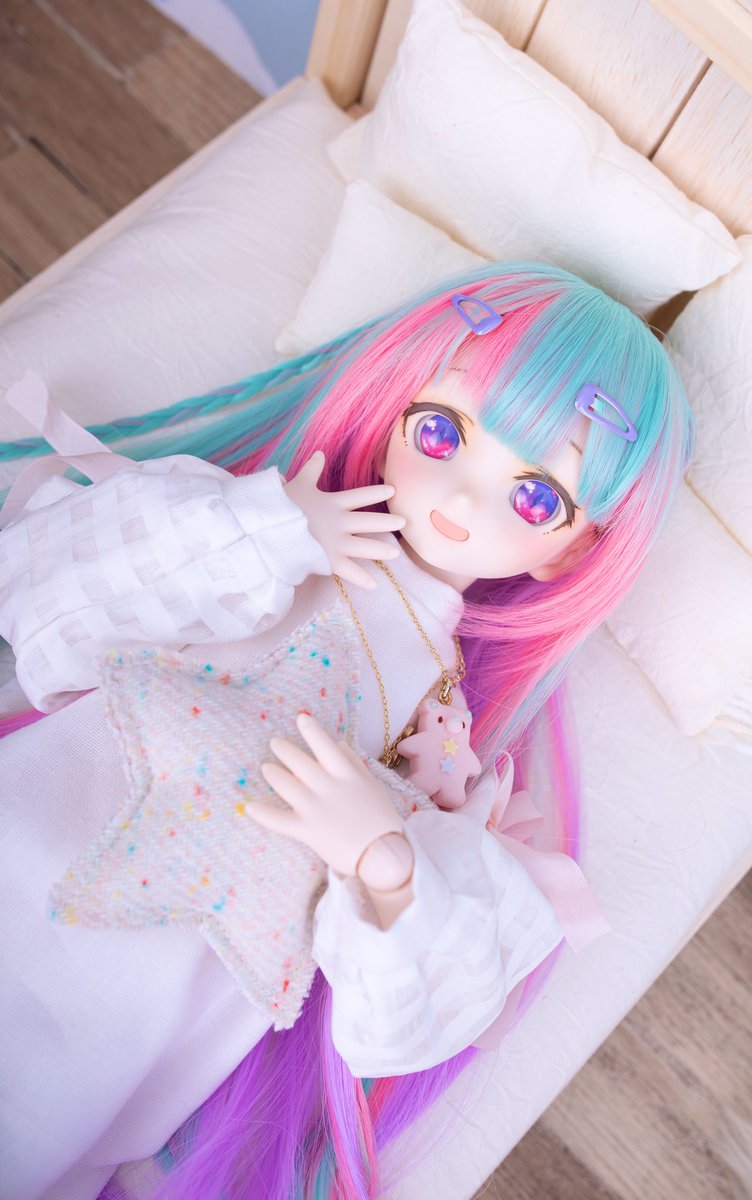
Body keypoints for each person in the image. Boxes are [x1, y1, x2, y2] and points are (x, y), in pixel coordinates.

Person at [0, 262, 694, 1200]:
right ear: (397, 400)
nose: (461, 499)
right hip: (35, 827)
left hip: (134, 1013)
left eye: (535, 499)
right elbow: (44, 598)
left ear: (569, 551)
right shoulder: (264, 531)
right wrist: (262, 529)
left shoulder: (444, 737)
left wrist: (384, 862)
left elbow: (412, 1017)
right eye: (442, 433)